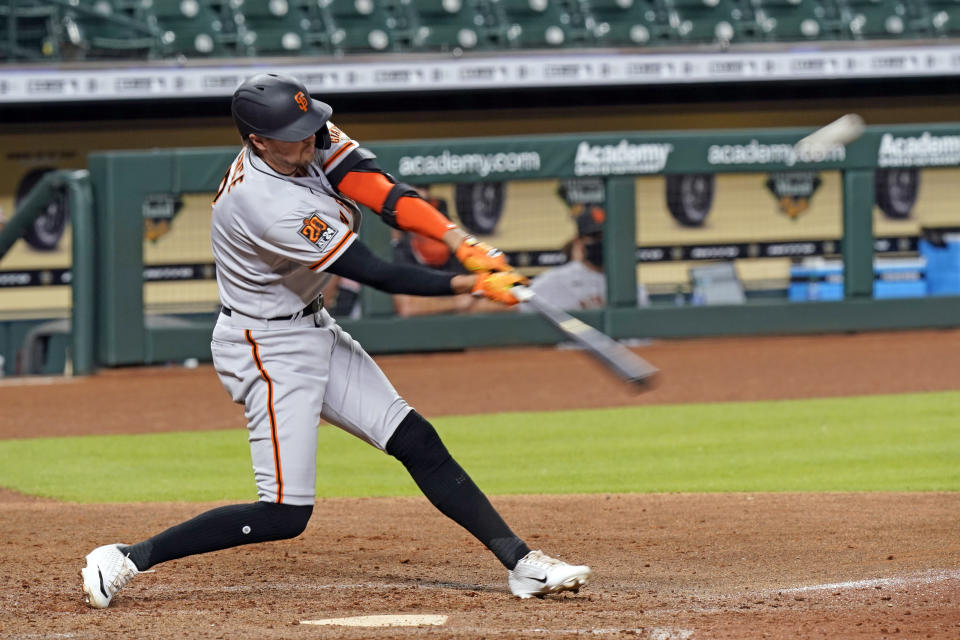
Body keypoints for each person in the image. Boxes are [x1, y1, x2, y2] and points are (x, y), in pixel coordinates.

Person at [79, 73, 590, 608]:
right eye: (296, 132)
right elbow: (372, 270)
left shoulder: (302, 139)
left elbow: (380, 190)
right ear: (258, 140)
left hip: (311, 325)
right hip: (266, 347)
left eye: (311, 123)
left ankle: (521, 563)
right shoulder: (263, 202)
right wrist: (472, 284)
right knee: (284, 514)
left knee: (416, 440)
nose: (313, 136)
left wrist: (459, 241)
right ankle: (124, 558)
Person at [523, 206, 648, 311]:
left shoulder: (630, 284)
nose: (603, 242)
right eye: (595, 237)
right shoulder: (555, 280)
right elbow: (514, 309)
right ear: (578, 242)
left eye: (608, 236)